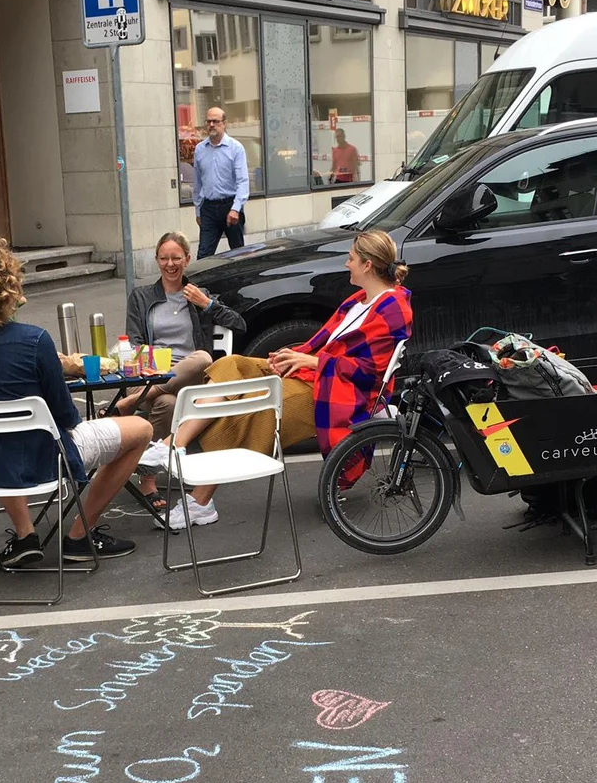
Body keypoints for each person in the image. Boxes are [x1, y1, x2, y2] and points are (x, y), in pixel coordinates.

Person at [163, 229, 412, 528]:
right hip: (317, 375)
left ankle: (200, 501)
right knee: (233, 364)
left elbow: (369, 372)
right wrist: (293, 357)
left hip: (339, 391)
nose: (347, 264)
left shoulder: (393, 307)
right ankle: (173, 444)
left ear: (368, 265)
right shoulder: (361, 300)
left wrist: (311, 360)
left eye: (351, 259)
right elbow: (324, 344)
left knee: (257, 408)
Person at [0, 235, 149, 567]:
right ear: (8, 287)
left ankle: (24, 535)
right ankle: (79, 535)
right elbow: (67, 417)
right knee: (142, 429)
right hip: (46, 459)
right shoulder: (33, 340)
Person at [111, 232, 245, 516]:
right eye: (164, 258)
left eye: (176, 258)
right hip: (150, 375)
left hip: (189, 378)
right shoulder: (142, 296)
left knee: (203, 358)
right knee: (168, 405)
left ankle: (135, 406)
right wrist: (149, 368)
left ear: (187, 259)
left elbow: (239, 323)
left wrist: (206, 304)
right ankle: (148, 477)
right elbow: (134, 342)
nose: (170, 264)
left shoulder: (198, 294)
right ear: (157, 260)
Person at [192, 107, 248, 259]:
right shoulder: (199, 150)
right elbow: (197, 183)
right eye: (208, 121)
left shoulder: (236, 148)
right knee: (203, 255)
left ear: (224, 124)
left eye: (215, 121)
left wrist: (236, 208)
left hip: (230, 206)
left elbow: (243, 181)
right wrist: (198, 210)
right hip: (208, 208)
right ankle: (202, 283)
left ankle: (239, 282)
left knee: (238, 254)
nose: (211, 125)